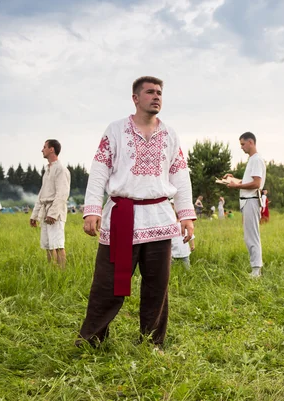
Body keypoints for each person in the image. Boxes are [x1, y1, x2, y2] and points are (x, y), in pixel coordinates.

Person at [77, 76, 196, 348]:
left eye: (159, 93)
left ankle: (152, 343)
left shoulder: (170, 134)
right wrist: (92, 209)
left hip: (159, 217)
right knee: (107, 285)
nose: (156, 97)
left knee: (157, 287)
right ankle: (91, 340)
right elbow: (99, 170)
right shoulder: (116, 130)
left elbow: (180, 175)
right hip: (122, 217)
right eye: (150, 92)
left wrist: (186, 214)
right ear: (135, 98)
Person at [223, 132, 266, 277]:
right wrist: (232, 179)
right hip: (247, 201)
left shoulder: (256, 160)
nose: (241, 147)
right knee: (249, 235)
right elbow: (246, 181)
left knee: (252, 235)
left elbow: (256, 183)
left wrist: (236, 187)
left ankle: (256, 270)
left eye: (242, 144)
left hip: (251, 200)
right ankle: (256, 267)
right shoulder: (252, 160)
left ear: (251, 142)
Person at [30, 139, 72, 269]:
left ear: (51, 149)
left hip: (56, 212)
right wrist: (34, 215)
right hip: (45, 210)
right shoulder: (47, 171)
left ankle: (62, 272)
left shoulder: (61, 170)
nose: (42, 150)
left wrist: (53, 213)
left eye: (44, 147)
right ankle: (51, 272)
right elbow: (41, 195)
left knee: (58, 244)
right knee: (47, 245)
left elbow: (62, 194)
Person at [171, 202, 195, 269]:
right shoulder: (172, 225)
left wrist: (192, 245)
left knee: (185, 264)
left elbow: (191, 235)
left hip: (181, 249)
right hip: (175, 250)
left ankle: (188, 274)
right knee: (173, 265)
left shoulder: (183, 224)